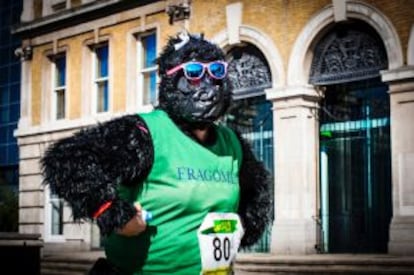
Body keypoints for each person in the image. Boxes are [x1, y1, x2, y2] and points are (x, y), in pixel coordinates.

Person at [41, 32, 272, 275]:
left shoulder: (231, 143)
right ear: (172, 79)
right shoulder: (144, 132)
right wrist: (112, 213)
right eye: (192, 72)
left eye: (216, 71)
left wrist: (243, 227)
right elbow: (67, 160)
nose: (207, 83)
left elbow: (256, 191)